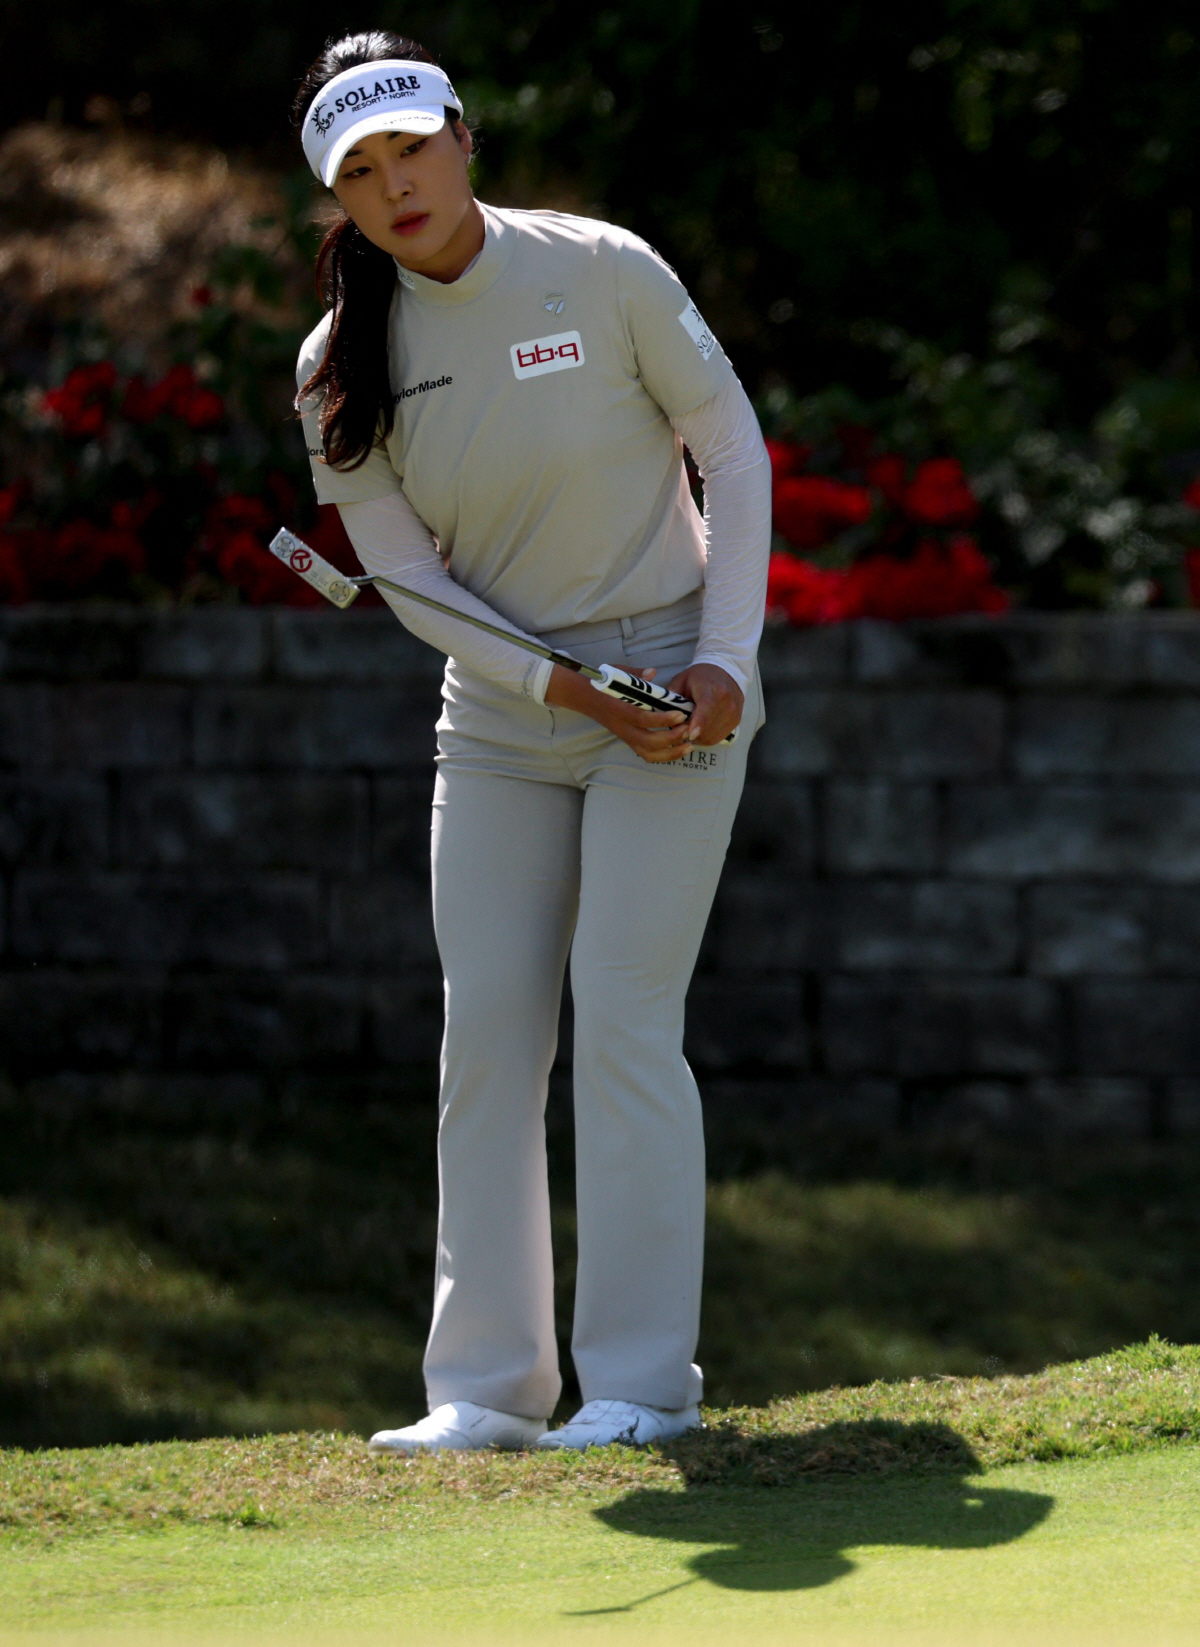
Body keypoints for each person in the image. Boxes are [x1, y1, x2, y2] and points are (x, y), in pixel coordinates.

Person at [293, 30, 771, 1453]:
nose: (396, 187)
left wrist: (725, 657)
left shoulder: (602, 267)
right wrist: (558, 689)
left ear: (463, 137)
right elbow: (407, 577)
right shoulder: (338, 366)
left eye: (411, 151)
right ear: (341, 198)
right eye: (360, 173)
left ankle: (640, 1389)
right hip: (504, 721)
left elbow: (732, 450)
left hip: (673, 693)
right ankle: (487, 1394)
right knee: (489, 1034)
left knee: (623, 1019)